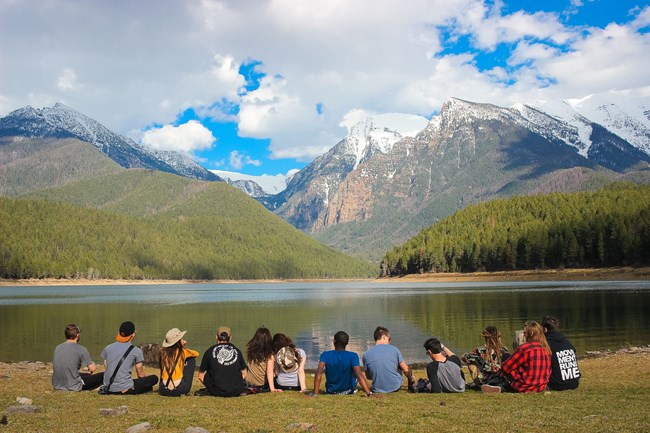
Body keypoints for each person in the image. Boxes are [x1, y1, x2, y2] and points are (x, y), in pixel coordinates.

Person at [482, 321, 551, 393]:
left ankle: (500, 385)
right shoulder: (545, 348)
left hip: (525, 387)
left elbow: (506, 367)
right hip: (541, 386)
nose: (524, 335)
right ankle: (502, 387)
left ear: (531, 333)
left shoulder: (525, 348)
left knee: (506, 359)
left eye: (525, 333)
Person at [101, 321, 158, 394]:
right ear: (133, 334)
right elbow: (140, 374)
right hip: (125, 388)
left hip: (108, 387)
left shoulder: (108, 348)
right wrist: (144, 383)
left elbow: (106, 366)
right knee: (154, 378)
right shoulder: (136, 351)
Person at [313, 331, 372, 396]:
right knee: (355, 371)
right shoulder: (353, 356)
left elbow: (319, 371)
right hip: (348, 391)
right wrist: (369, 393)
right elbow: (358, 374)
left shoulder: (325, 355)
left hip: (331, 391)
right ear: (347, 343)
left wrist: (315, 393)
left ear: (334, 341)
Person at [52, 323, 104, 391]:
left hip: (57, 385)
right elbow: (92, 369)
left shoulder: (58, 347)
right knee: (104, 375)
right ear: (77, 335)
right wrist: (92, 363)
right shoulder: (81, 349)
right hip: (73, 387)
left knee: (86, 375)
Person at [362, 326, 414, 393]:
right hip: (395, 387)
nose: (389, 342)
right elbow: (406, 370)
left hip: (377, 389)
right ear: (384, 337)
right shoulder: (394, 349)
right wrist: (410, 379)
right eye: (389, 339)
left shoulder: (366, 354)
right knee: (399, 364)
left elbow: (368, 376)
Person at [198, 326, 247, 397]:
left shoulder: (209, 351)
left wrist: (211, 387)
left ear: (216, 337)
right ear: (230, 338)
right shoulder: (237, 351)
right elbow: (244, 374)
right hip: (235, 391)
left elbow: (200, 376)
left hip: (216, 391)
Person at [542, 316, 581, 391]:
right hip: (574, 383)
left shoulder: (547, 345)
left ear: (545, 329)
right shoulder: (567, 342)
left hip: (558, 384)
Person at [158, 327, 199, 396]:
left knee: (165, 365)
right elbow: (196, 354)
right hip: (180, 390)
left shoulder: (162, 352)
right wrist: (183, 347)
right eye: (181, 339)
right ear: (179, 341)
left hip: (163, 390)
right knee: (191, 359)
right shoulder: (183, 352)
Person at [245, 327, 275, 393]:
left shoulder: (250, 351)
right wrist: (272, 389)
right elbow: (269, 372)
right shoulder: (269, 355)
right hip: (261, 386)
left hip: (249, 384)